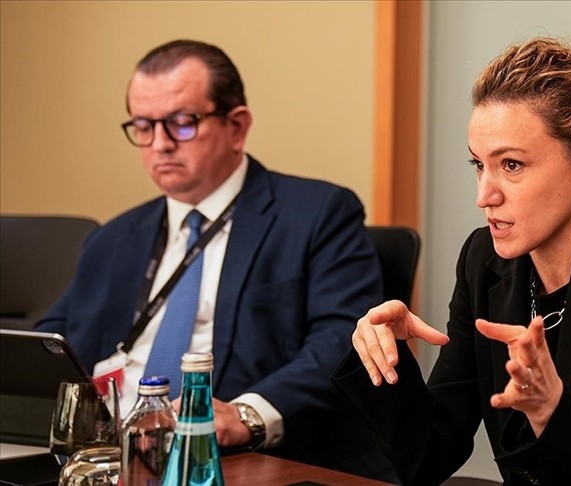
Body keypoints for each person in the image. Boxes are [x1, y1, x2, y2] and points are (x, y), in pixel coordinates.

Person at [334, 38, 571, 485]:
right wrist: (387, 361)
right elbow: (431, 457)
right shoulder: (484, 260)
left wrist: (549, 411)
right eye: (479, 165)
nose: (485, 195)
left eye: (512, 165)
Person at [36, 39, 395, 481]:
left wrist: (246, 415)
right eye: (144, 126)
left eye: (181, 123)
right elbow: (49, 347)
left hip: (234, 459)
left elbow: (343, 340)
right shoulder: (112, 239)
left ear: (237, 126)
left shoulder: (317, 215)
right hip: (108, 461)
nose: (160, 144)